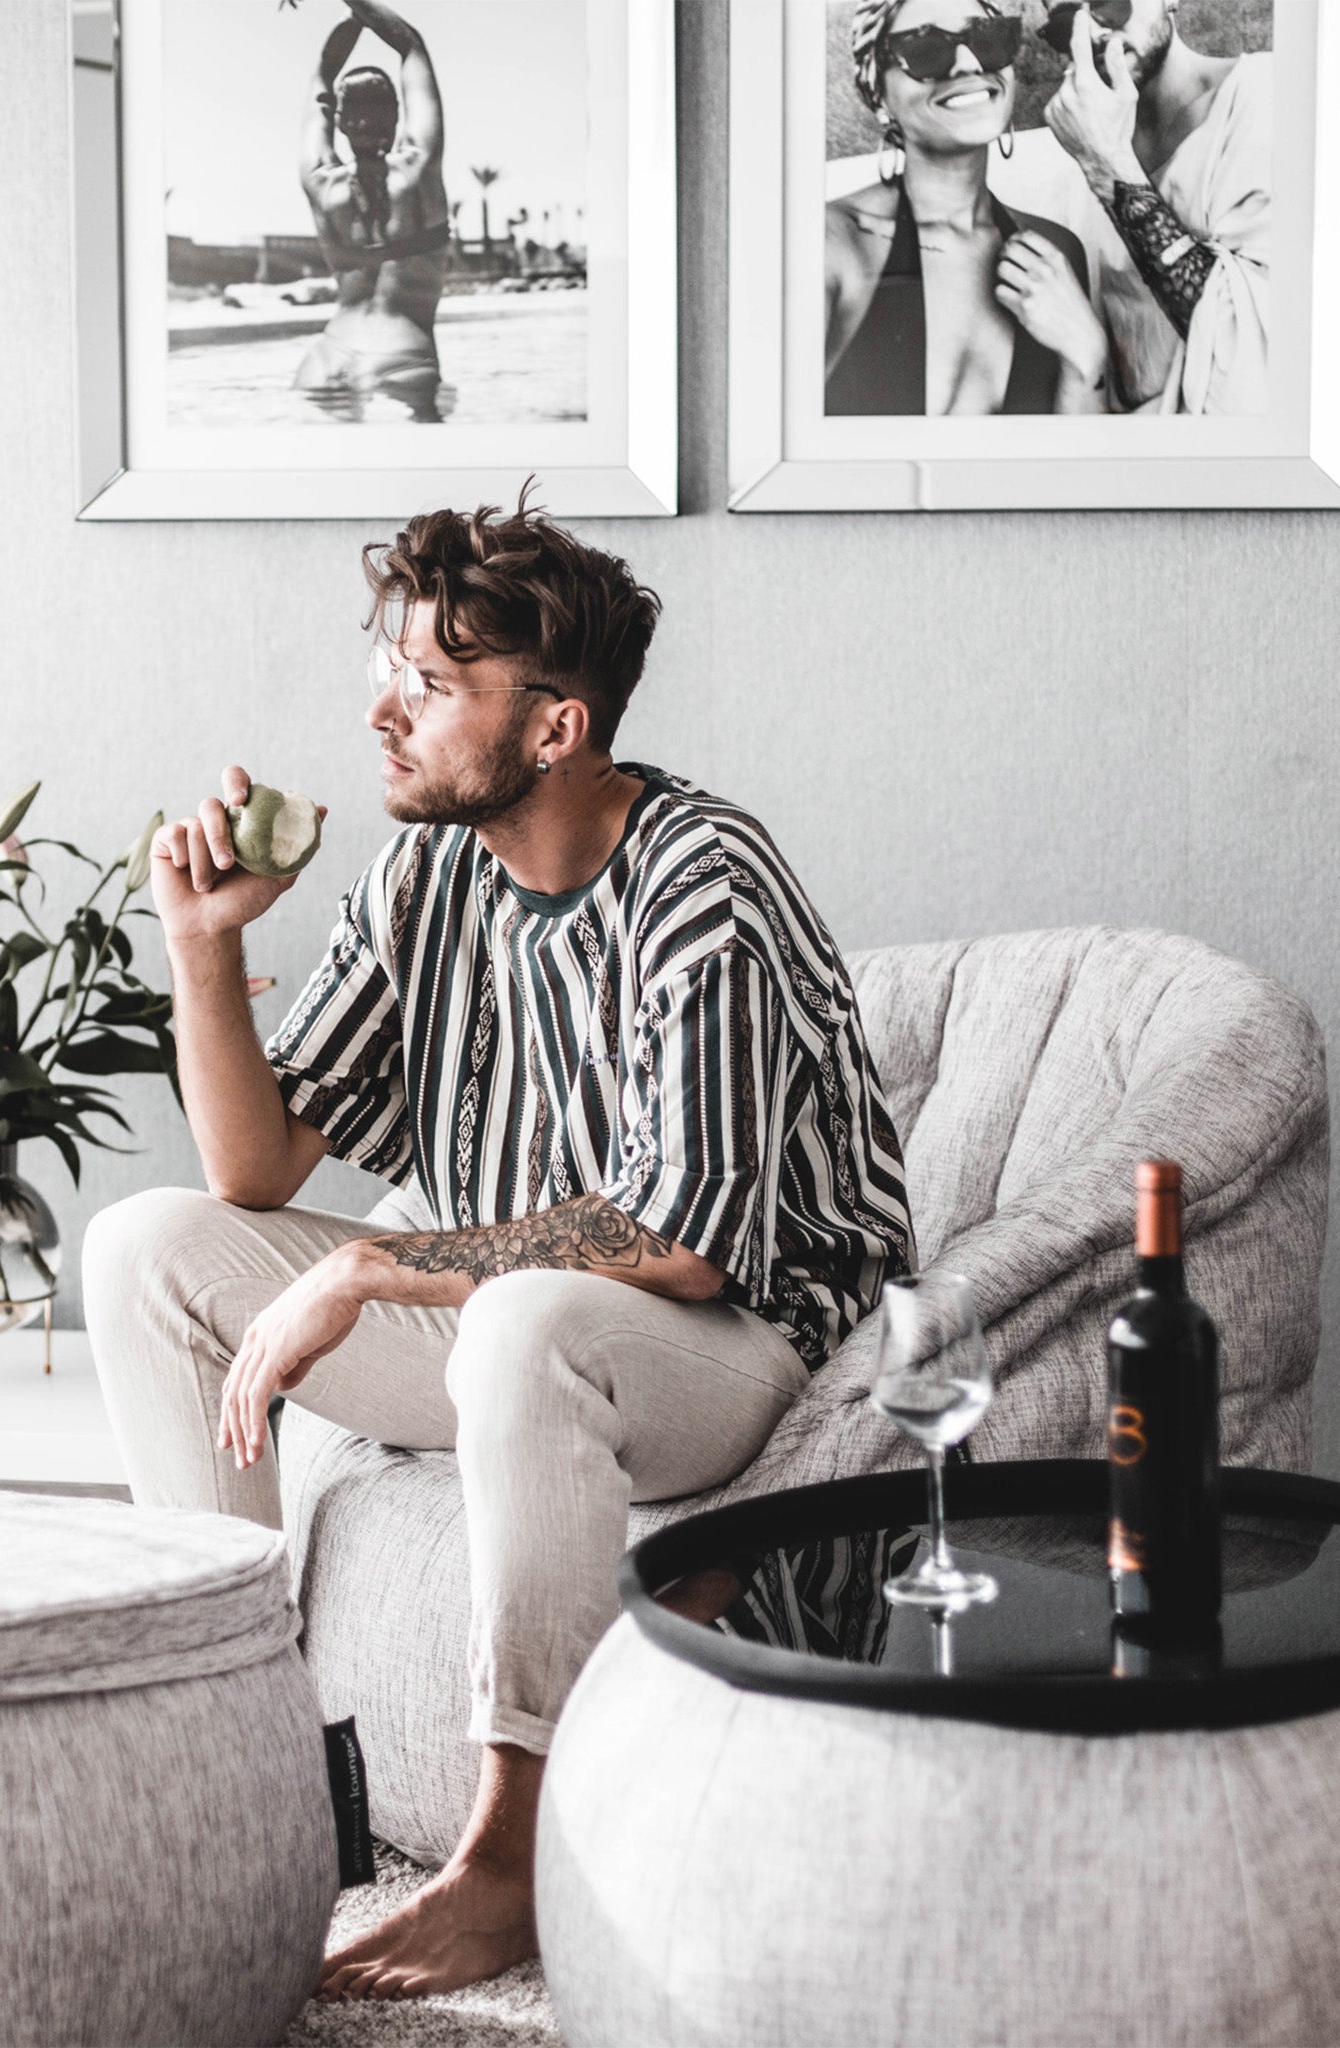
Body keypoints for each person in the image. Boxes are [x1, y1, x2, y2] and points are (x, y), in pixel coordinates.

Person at [82, 496, 916, 2000]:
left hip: (736, 1345)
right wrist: (201, 944)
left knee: (523, 1316)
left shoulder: (704, 881)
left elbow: (680, 1237)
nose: (382, 712)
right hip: (516, 1331)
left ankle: (516, 1860)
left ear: (554, 727)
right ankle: (247, 1776)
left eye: (431, 683)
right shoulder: (426, 878)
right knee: (145, 1245)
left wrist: (371, 1268)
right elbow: (251, 1169)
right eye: (389, 669)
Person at [827, 0, 1110, 414]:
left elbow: (1076, 449)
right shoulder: (832, 246)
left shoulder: (1054, 253)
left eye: (988, 39)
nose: (968, 64)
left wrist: (1089, 357)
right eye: (925, 49)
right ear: (879, 95)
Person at [1042, 0, 1270, 414]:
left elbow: (1251, 359)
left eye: (1109, 3)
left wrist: (1108, 164)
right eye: (1066, 21)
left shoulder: (1262, 95)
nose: (1091, 33)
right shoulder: (1076, 144)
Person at [288, 0, 450, 422]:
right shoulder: (418, 169)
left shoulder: (322, 183)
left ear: (341, 121)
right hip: (402, 352)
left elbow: (322, 76)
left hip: (329, 354)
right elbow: (409, 45)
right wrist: (361, 9)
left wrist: (352, 19)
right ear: (396, 116)